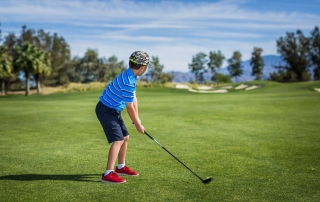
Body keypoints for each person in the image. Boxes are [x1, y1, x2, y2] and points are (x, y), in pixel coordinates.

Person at [95, 51, 150, 184]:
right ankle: (108, 174)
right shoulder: (128, 81)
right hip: (105, 110)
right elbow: (129, 107)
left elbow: (133, 98)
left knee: (125, 138)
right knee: (118, 140)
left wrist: (137, 119)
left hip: (113, 110)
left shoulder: (131, 76)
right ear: (142, 68)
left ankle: (120, 167)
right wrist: (137, 125)